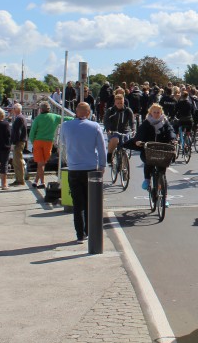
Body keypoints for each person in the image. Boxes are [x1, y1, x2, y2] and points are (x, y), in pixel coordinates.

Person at [56, 102, 107, 243]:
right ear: (89, 113)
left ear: (76, 112)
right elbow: (102, 148)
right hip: (91, 168)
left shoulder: (66, 126)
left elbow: (62, 144)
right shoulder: (95, 126)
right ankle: (89, 230)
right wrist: (102, 165)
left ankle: (80, 234)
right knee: (91, 201)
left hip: (74, 168)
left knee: (78, 203)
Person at [133, 103, 175, 194]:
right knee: (148, 162)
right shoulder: (146, 122)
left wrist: (172, 139)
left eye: (158, 112)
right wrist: (138, 141)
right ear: (150, 113)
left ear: (161, 113)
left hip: (162, 149)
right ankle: (147, 179)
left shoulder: (165, 122)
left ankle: (164, 195)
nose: (156, 114)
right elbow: (140, 133)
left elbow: (170, 130)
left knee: (162, 171)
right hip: (149, 148)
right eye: (154, 112)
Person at [29, 101, 66, 188]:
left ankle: (42, 182)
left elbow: (32, 132)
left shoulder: (38, 118)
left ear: (41, 109)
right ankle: (35, 181)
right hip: (48, 142)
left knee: (40, 163)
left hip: (38, 141)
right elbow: (66, 118)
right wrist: (76, 117)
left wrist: (33, 142)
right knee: (42, 163)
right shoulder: (55, 117)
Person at [104, 93, 134, 176]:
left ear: (123, 102)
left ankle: (124, 167)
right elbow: (106, 121)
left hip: (125, 131)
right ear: (115, 103)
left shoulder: (128, 110)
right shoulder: (110, 110)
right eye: (118, 103)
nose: (120, 105)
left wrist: (133, 129)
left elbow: (132, 121)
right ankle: (109, 155)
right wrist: (108, 129)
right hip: (113, 131)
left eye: (121, 103)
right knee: (115, 139)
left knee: (126, 146)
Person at [10, 103, 28, 187]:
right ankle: (18, 179)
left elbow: (17, 132)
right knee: (16, 160)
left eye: (13, 108)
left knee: (18, 160)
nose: (12, 110)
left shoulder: (19, 119)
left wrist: (13, 143)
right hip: (20, 141)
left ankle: (20, 179)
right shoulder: (21, 118)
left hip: (18, 142)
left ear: (16, 109)